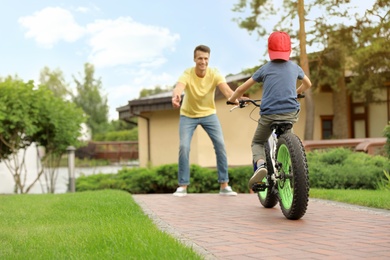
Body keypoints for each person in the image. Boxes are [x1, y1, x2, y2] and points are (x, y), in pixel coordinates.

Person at [227, 31, 312, 191]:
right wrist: (296, 92)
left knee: (258, 142)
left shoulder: (265, 69)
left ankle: (261, 165)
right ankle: (291, 160)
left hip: (269, 114)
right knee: (288, 135)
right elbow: (308, 84)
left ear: (269, 51)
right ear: (289, 50)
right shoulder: (295, 67)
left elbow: (241, 88)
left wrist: (233, 99)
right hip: (290, 113)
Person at [171, 44, 242, 197]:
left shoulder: (215, 73)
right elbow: (178, 88)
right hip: (188, 115)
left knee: (220, 144)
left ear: (208, 59)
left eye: (205, 58)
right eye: (200, 58)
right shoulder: (187, 73)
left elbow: (227, 91)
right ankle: (182, 186)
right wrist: (176, 96)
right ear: (194, 59)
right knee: (184, 146)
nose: (203, 62)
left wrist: (237, 99)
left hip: (209, 114)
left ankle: (224, 185)